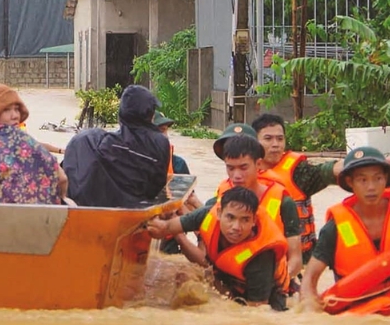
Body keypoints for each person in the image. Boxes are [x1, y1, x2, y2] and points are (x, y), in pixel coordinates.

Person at [147, 186, 291, 311]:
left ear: (254, 221)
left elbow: (256, 312)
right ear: (220, 213)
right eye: (230, 217)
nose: (236, 227)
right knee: (184, 280)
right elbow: (165, 228)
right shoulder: (206, 214)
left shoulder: (261, 257)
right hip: (228, 281)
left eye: (245, 220)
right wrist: (152, 219)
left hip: (268, 300)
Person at [300, 146, 390, 313]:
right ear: (350, 182)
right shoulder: (335, 228)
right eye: (363, 180)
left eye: (378, 178)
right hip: (358, 317)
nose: (371, 187)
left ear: (385, 179)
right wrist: (308, 309)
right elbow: (309, 278)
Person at [252, 113, 344, 264]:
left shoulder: (298, 172)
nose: (276, 144)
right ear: (254, 141)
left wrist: (366, 164)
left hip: (300, 257)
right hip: (261, 257)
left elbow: (327, 171)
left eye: (280, 139)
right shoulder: (244, 171)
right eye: (268, 139)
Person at [210, 133, 303, 281]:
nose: (236, 176)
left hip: (269, 281)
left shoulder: (284, 202)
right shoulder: (222, 196)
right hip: (228, 275)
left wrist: (276, 283)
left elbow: (296, 260)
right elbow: (204, 234)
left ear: (258, 164)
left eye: (243, 167)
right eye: (231, 168)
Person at [62, 84, 170, 208]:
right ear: (150, 116)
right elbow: (156, 187)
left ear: (121, 116)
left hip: (95, 211)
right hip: (138, 211)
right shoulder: (160, 143)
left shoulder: (94, 143)